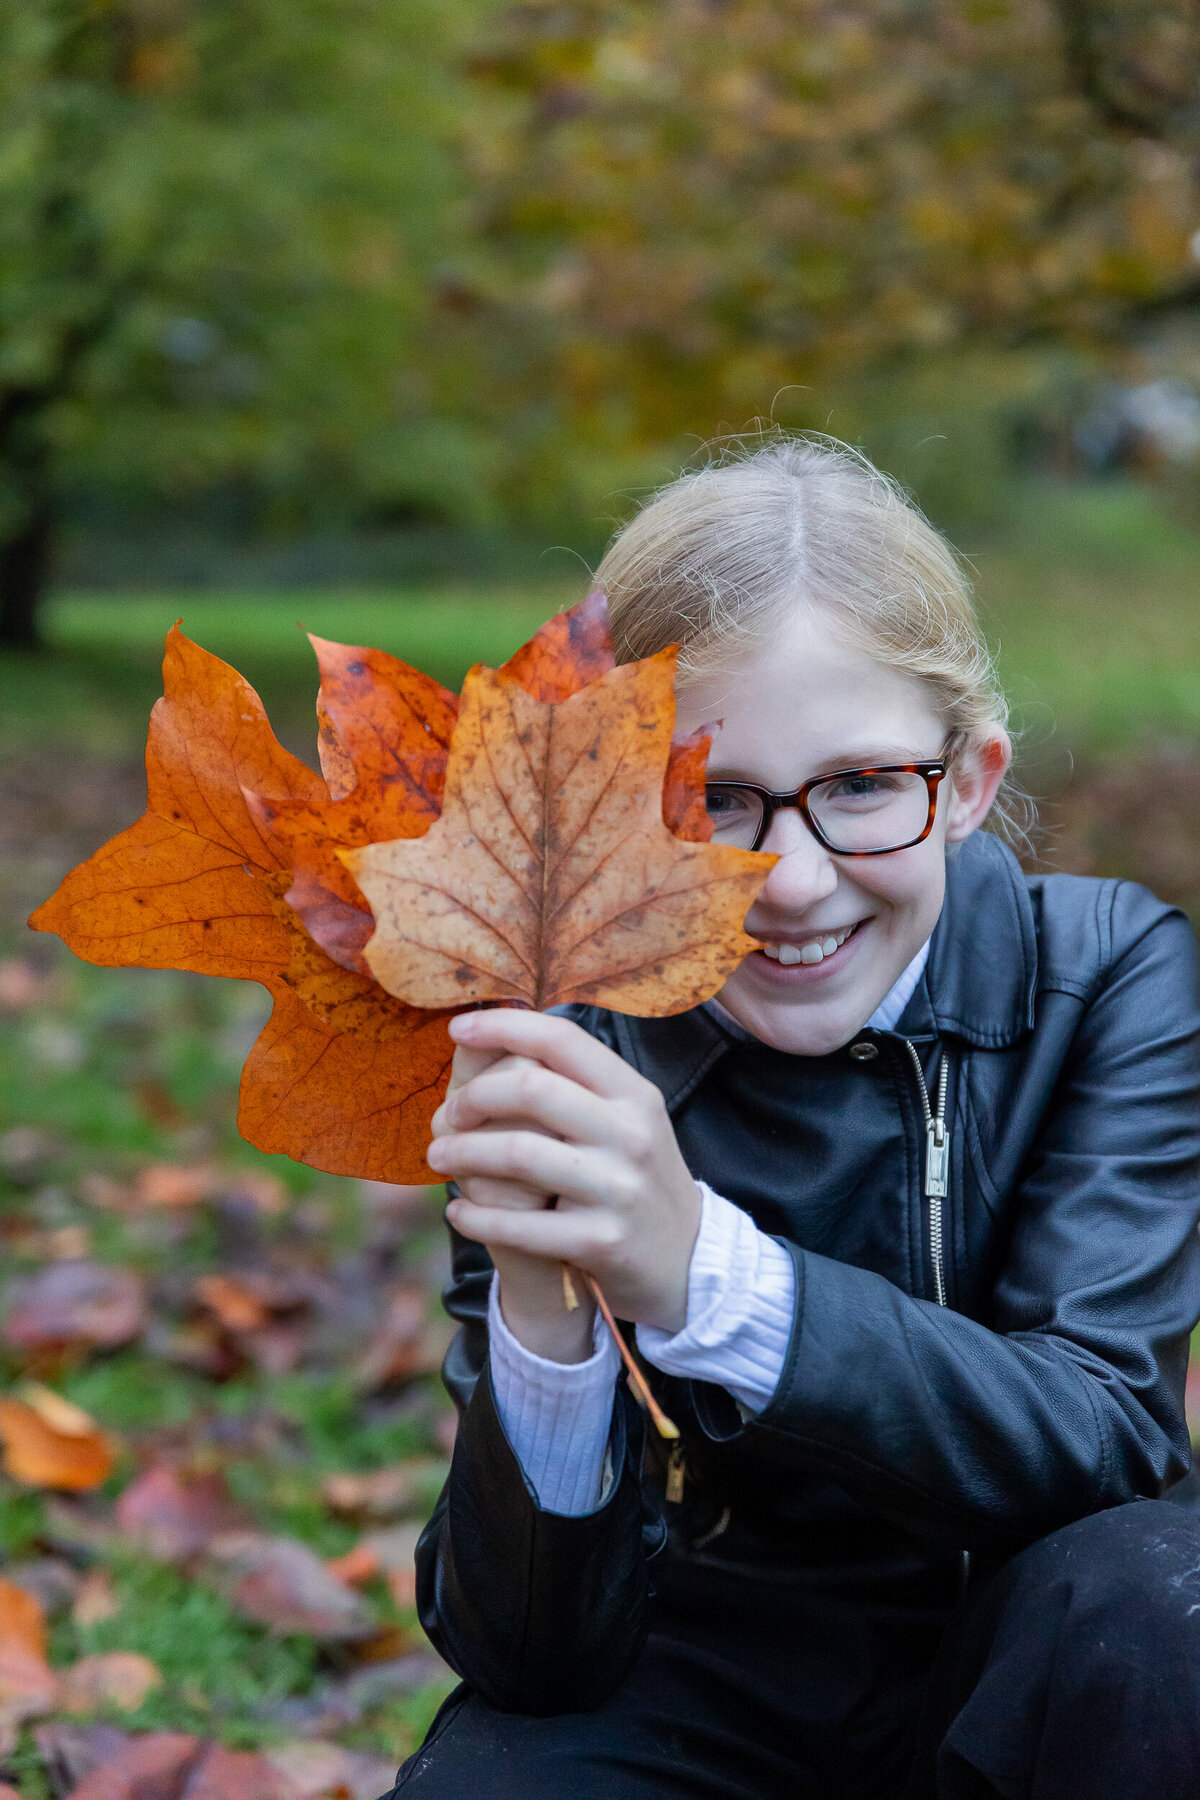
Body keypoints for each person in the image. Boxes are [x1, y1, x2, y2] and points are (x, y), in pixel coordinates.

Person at [384, 438, 1200, 1800]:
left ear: (973, 780)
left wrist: (706, 1274)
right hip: (708, 1665)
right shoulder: (569, 1034)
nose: (797, 882)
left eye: (865, 786)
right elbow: (528, 1656)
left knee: (1162, 1601)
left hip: (1044, 1657)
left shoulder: (1106, 975)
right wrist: (545, 1308)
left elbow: (1110, 1443)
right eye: (713, 799)